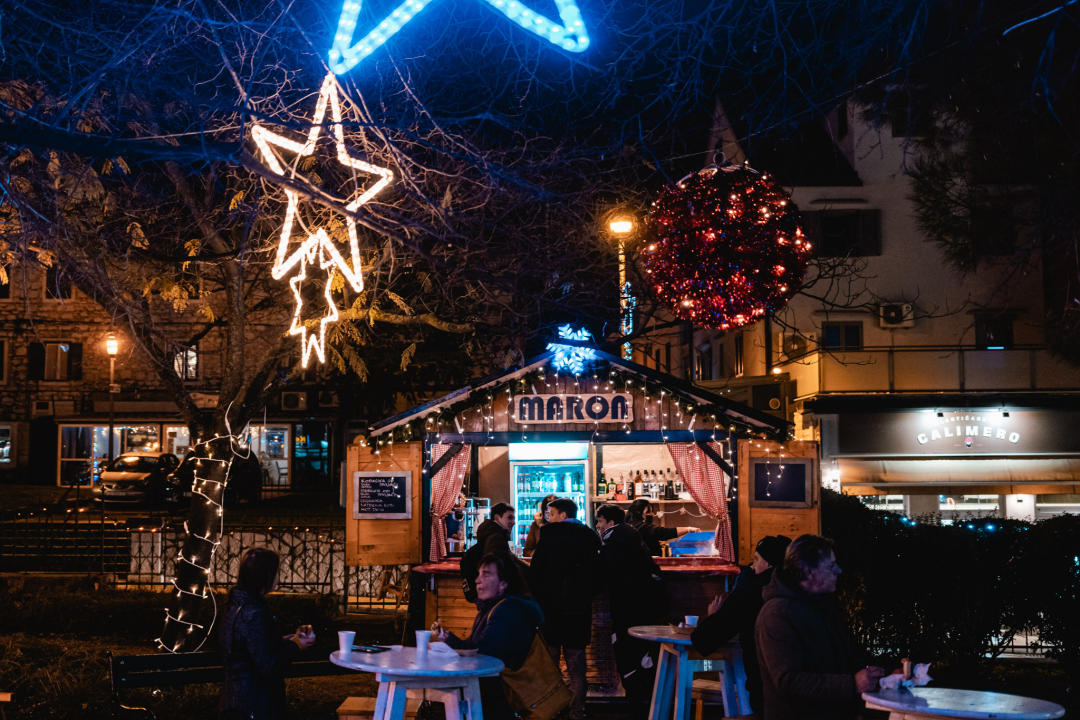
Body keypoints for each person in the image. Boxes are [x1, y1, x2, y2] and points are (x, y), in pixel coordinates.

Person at [755, 535, 887, 720]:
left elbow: (843, 660)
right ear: (808, 571)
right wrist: (852, 684)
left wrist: (882, 676)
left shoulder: (823, 606)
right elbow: (789, 681)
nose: (839, 571)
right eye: (831, 566)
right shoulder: (776, 614)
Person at [432, 552, 545, 720]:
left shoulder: (506, 611)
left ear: (503, 584)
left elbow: (481, 656)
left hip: (497, 696)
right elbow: (477, 648)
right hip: (492, 694)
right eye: (478, 575)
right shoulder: (492, 608)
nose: (477, 580)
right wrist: (448, 639)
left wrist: (448, 639)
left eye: (486, 575)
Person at [691, 535, 791, 716]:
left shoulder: (749, 595)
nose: (752, 567)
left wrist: (714, 617)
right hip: (813, 695)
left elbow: (702, 640)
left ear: (768, 564)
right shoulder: (809, 595)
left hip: (767, 697)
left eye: (756, 560)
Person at [219, 548, 316, 720]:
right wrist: (295, 645)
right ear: (267, 575)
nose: (278, 577)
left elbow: (249, 646)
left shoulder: (235, 605)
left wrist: (288, 639)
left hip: (236, 698)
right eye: (277, 572)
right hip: (254, 702)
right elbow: (268, 664)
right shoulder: (253, 613)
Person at [529, 498, 602, 720]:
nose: (547, 517)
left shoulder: (549, 538)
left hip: (550, 610)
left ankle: (551, 710)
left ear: (562, 515)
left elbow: (535, 573)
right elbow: (598, 574)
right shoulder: (590, 537)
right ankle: (577, 711)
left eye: (550, 513)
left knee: (549, 665)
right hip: (578, 610)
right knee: (576, 664)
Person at [595, 504, 667, 716]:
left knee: (626, 656)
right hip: (647, 610)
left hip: (625, 610)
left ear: (609, 522)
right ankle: (651, 706)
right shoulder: (638, 542)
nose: (597, 526)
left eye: (599, 521)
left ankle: (636, 708)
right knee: (644, 657)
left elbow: (601, 576)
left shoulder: (611, 546)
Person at [461, 502, 515, 603]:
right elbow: (495, 568)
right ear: (497, 518)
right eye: (509, 517)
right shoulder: (496, 537)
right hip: (495, 596)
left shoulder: (490, 534)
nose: (513, 522)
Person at [625, 498, 699, 556]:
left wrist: (653, 542)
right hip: (644, 568)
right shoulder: (643, 527)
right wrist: (689, 529)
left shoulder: (626, 525)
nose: (652, 514)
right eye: (649, 512)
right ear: (639, 513)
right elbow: (665, 532)